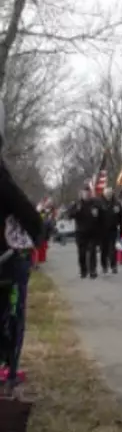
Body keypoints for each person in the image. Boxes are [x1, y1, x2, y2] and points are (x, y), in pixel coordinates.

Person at [0, 118, 44, 394]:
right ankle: (8, 371)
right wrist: (35, 237)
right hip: (6, 261)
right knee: (12, 317)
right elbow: (29, 215)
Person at [68, 188, 100, 278]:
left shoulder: (95, 203)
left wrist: (97, 216)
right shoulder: (77, 204)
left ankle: (92, 270)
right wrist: (77, 210)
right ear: (81, 194)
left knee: (92, 251)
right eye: (85, 194)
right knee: (82, 253)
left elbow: (101, 216)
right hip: (80, 232)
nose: (87, 195)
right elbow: (70, 215)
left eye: (89, 194)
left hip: (92, 232)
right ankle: (83, 270)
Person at [98, 186, 122, 274]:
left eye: (110, 193)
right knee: (104, 250)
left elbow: (121, 217)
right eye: (107, 193)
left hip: (113, 230)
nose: (108, 195)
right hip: (102, 230)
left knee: (113, 249)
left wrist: (121, 228)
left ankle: (113, 266)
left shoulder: (117, 203)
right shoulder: (99, 203)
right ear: (104, 194)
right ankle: (104, 266)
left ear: (112, 193)